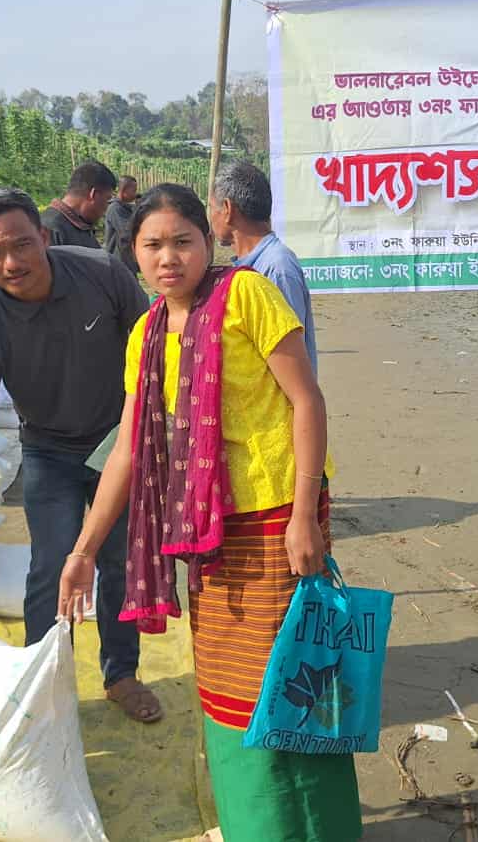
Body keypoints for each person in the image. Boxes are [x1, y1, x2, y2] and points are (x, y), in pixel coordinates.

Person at [56, 184, 358, 841]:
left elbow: (307, 400)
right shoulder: (146, 334)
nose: (169, 258)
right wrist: (83, 552)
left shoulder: (248, 294)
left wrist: (304, 515)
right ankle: (258, 827)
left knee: (290, 680)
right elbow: (128, 450)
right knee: (225, 687)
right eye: (152, 245)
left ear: (207, 239)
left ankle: (314, 828)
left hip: (276, 516)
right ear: (133, 252)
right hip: (209, 533)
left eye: (182, 241)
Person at [0, 188, 162, 724]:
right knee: (51, 564)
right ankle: (45, 681)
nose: (10, 263)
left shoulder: (102, 274)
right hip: (49, 450)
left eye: (20, 245)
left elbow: (155, 354)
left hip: (118, 443)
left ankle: (121, 674)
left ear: (43, 236)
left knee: (119, 560)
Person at [209, 161, 318, 372]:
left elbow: (289, 357)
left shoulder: (276, 268)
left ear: (228, 209)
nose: (211, 217)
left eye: (212, 208)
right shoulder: (253, 265)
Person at [42, 160, 117, 249]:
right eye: (107, 199)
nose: (106, 208)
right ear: (94, 194)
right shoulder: (51, 229)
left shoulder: (80, 224)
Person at [104, 174, 140, 276]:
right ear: (124, 190)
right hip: (118, 262)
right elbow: (127, 232)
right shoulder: (115, 208)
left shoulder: (125, 208)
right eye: (133, 190)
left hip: (127, 261)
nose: (135, 194)